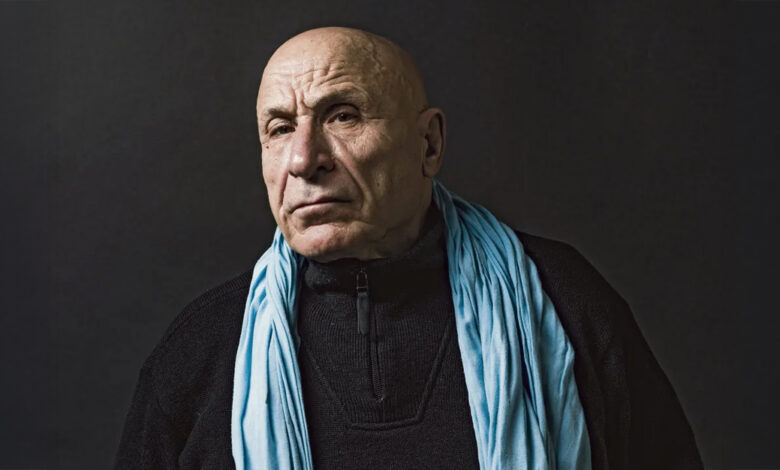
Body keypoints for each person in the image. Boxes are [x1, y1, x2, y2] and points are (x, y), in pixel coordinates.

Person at [115, 27, 703, 469]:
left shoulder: (563, 304)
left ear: (428, 144)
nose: (303, 158)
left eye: (342, 116)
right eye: (280, 128)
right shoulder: (201, 351)